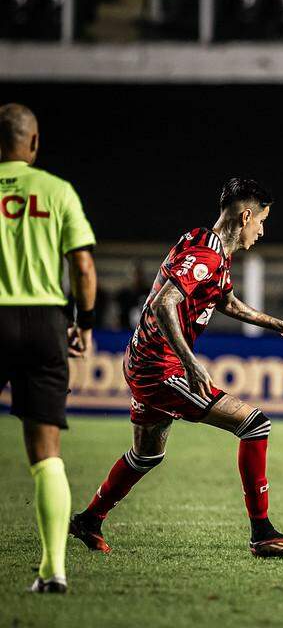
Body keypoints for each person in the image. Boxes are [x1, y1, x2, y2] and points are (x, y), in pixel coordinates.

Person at [69, 178, 283, 558]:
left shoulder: (202, 242)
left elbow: (228, 303)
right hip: (160, 368)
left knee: (147, 454)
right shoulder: (208, 257)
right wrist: (190, 363)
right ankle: (262, 533)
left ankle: (88, 520)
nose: (262, 230)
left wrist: (281, 326)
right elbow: (164, 304)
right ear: (246, 215)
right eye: (261, 221)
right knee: (255, 423)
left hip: (142, 358)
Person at [0, 103, 97, 593]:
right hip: (44, 321)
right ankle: (53, 569)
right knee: (46, 453)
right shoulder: (57, 191)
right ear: (33, 143)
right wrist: (85, 322)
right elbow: (82, 267)